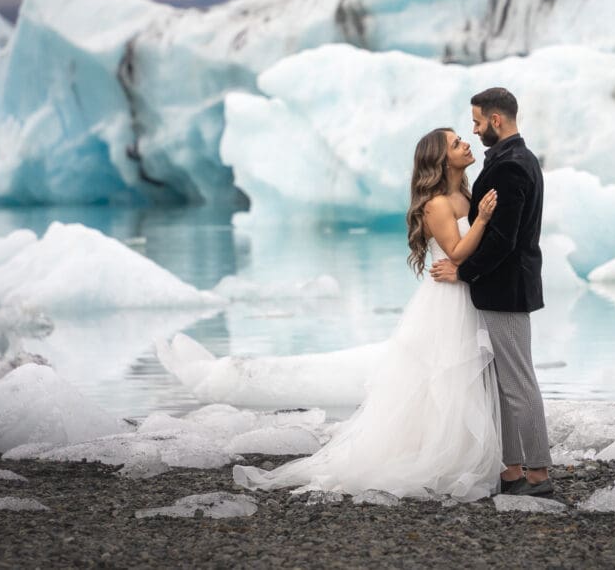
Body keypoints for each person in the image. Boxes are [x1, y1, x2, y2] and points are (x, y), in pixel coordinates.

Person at [233, 127, 504, 501]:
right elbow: (456, 252)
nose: (465, 144)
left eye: (461, 139)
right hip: (447, 302)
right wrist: (483, 220)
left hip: (466, 292)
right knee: (443, 379)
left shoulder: (464, 194)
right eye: (456, 143)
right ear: (441, 159)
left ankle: (463, 455)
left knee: (467, 381)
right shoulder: (437, 203)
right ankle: (436, 458)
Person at [431, 87, 553, 498]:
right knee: (504, 385)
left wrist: (463, 273)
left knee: (518, 381)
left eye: (478, 121)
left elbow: (503, 240)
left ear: (495, 121)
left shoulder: (511, 166)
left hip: (506, 288)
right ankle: (511, 469)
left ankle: (537, 474)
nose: (475, 129)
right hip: (501, 288)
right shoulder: (512, 159)